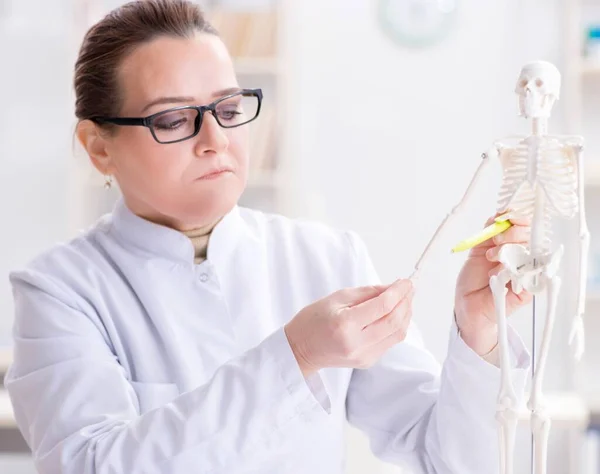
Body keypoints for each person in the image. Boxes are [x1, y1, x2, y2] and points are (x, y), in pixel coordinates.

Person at [4, 1, 533, 473]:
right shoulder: (60, 290)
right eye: (172, 118)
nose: (216, 141)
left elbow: (449, 458)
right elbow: (91, 465)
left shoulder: (324, 258)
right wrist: (296, 354)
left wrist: (478, 334)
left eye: (229, 110)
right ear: (98, 146)